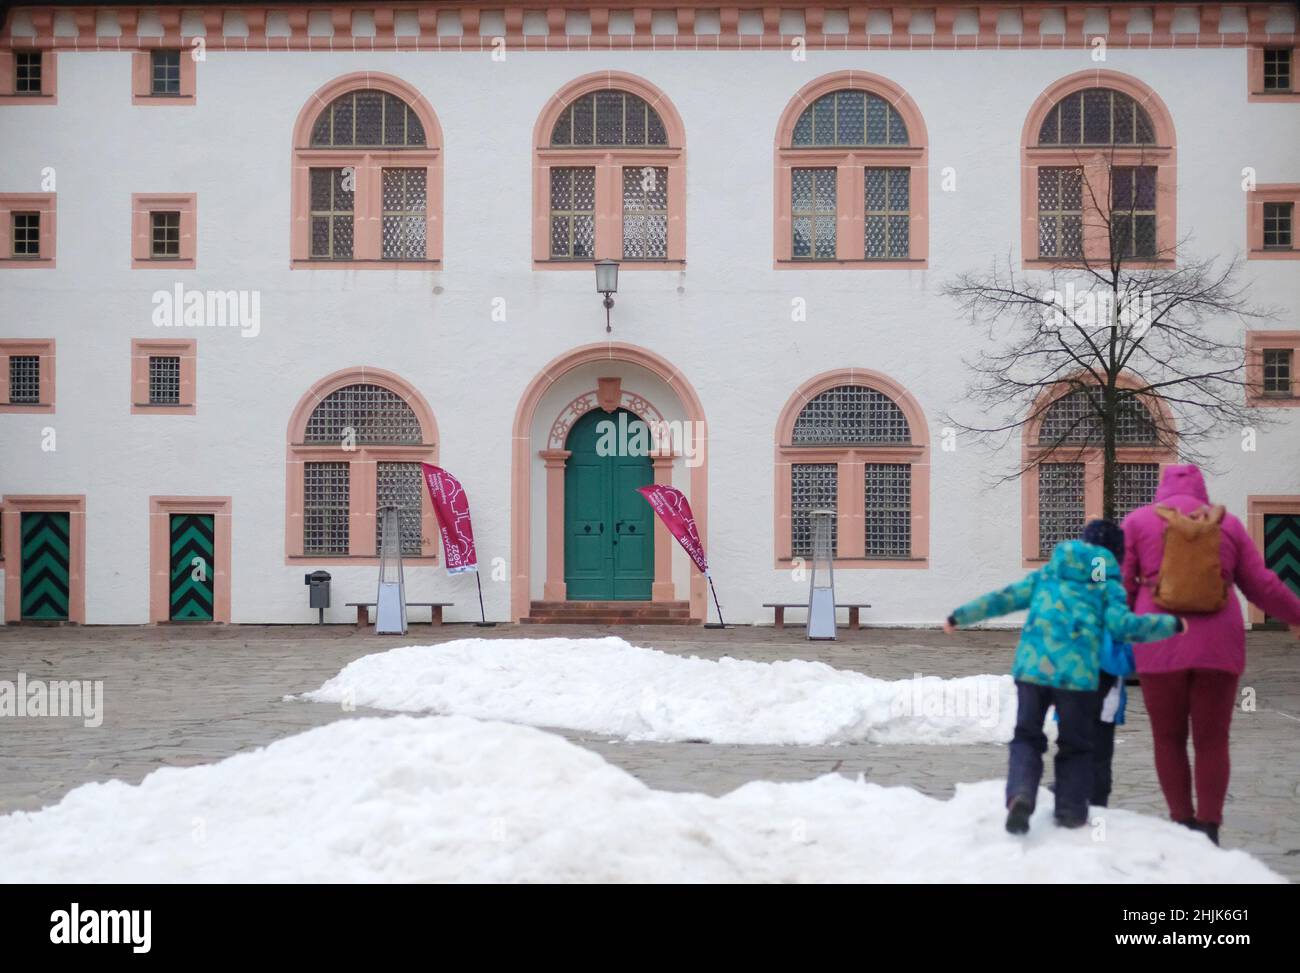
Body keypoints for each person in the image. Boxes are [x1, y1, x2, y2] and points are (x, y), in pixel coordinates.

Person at [944, 536, 1182, 835]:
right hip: (1077, 676)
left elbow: (1003, 599)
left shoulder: (1045, 577)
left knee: (1027, 738)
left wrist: (959, 616)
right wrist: (1171, 625)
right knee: (1076, 745)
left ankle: (1021, 794)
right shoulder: (1106, 588)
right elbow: (1125, 626)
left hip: (1032, 671)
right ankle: (1070, 810)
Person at [1120, 464, 1300, 845]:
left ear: (1161, 489)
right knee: (1212, 741)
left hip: (1158, 645)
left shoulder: (1137, 523)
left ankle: (1182, 825)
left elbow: (1120, 589)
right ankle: (1210, 827)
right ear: (1202, 489)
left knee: (1167, 738)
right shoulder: (1228, 524)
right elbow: (1261, 585)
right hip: (1218, 647)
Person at [1079, 519, 1136, 808]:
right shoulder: (1115, 587)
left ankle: (1075, 795)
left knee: (1077, 742)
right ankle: (1096, 801)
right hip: (1104, 678)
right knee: (1100, 745)